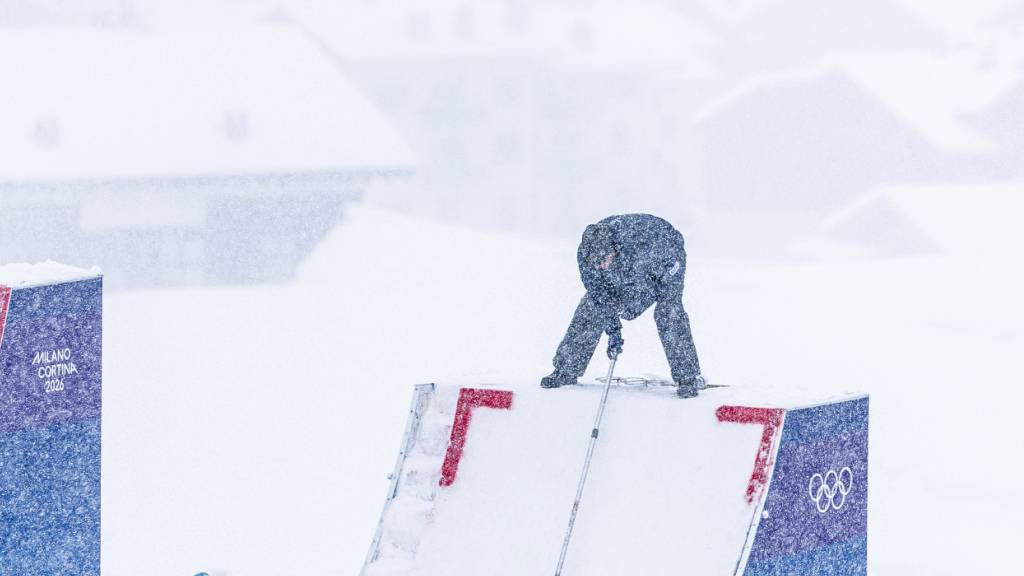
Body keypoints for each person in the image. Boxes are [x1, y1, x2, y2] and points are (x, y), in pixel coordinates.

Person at [540, 214, 705, 398]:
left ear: (614, 249)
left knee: (669, 312)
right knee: (590, 307)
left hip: (668, 259)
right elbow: (599, 295)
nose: (601, 266)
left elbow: (653, 285)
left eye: (604, 260)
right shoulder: (585, 257)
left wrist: (636, 305)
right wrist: (613, 329)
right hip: (630, 270)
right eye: (596, 263)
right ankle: (566, 370)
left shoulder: (640, 246)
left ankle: (688, 377)